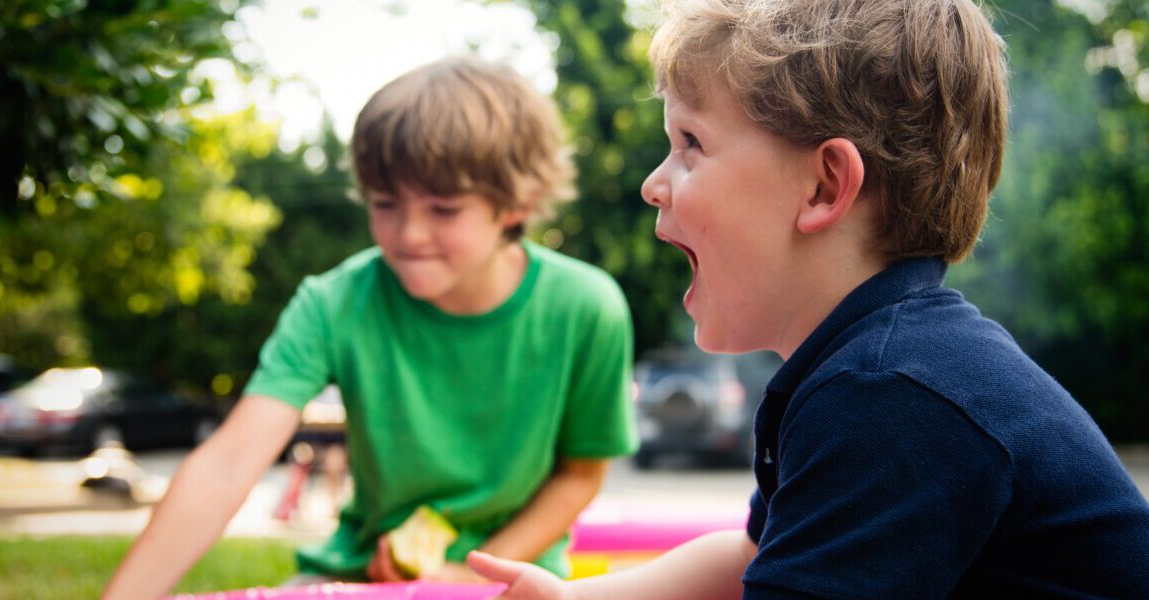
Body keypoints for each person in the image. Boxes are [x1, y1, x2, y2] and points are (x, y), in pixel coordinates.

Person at [466, 0, 1149, 598]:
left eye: (691, 143)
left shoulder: (892, 396)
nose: (652, 182)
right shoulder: (873, 365)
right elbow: (752, 559)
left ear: (824, 187)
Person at [102, 56, 639, 598]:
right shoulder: (333, 303)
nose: (409, 234)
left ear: (516, 202)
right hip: (359, 576)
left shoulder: (587, 307)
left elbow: (580, 473)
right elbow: (228, 463)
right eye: (386, 204)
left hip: (514, 580)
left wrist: (468, 572)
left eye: (444, 209)